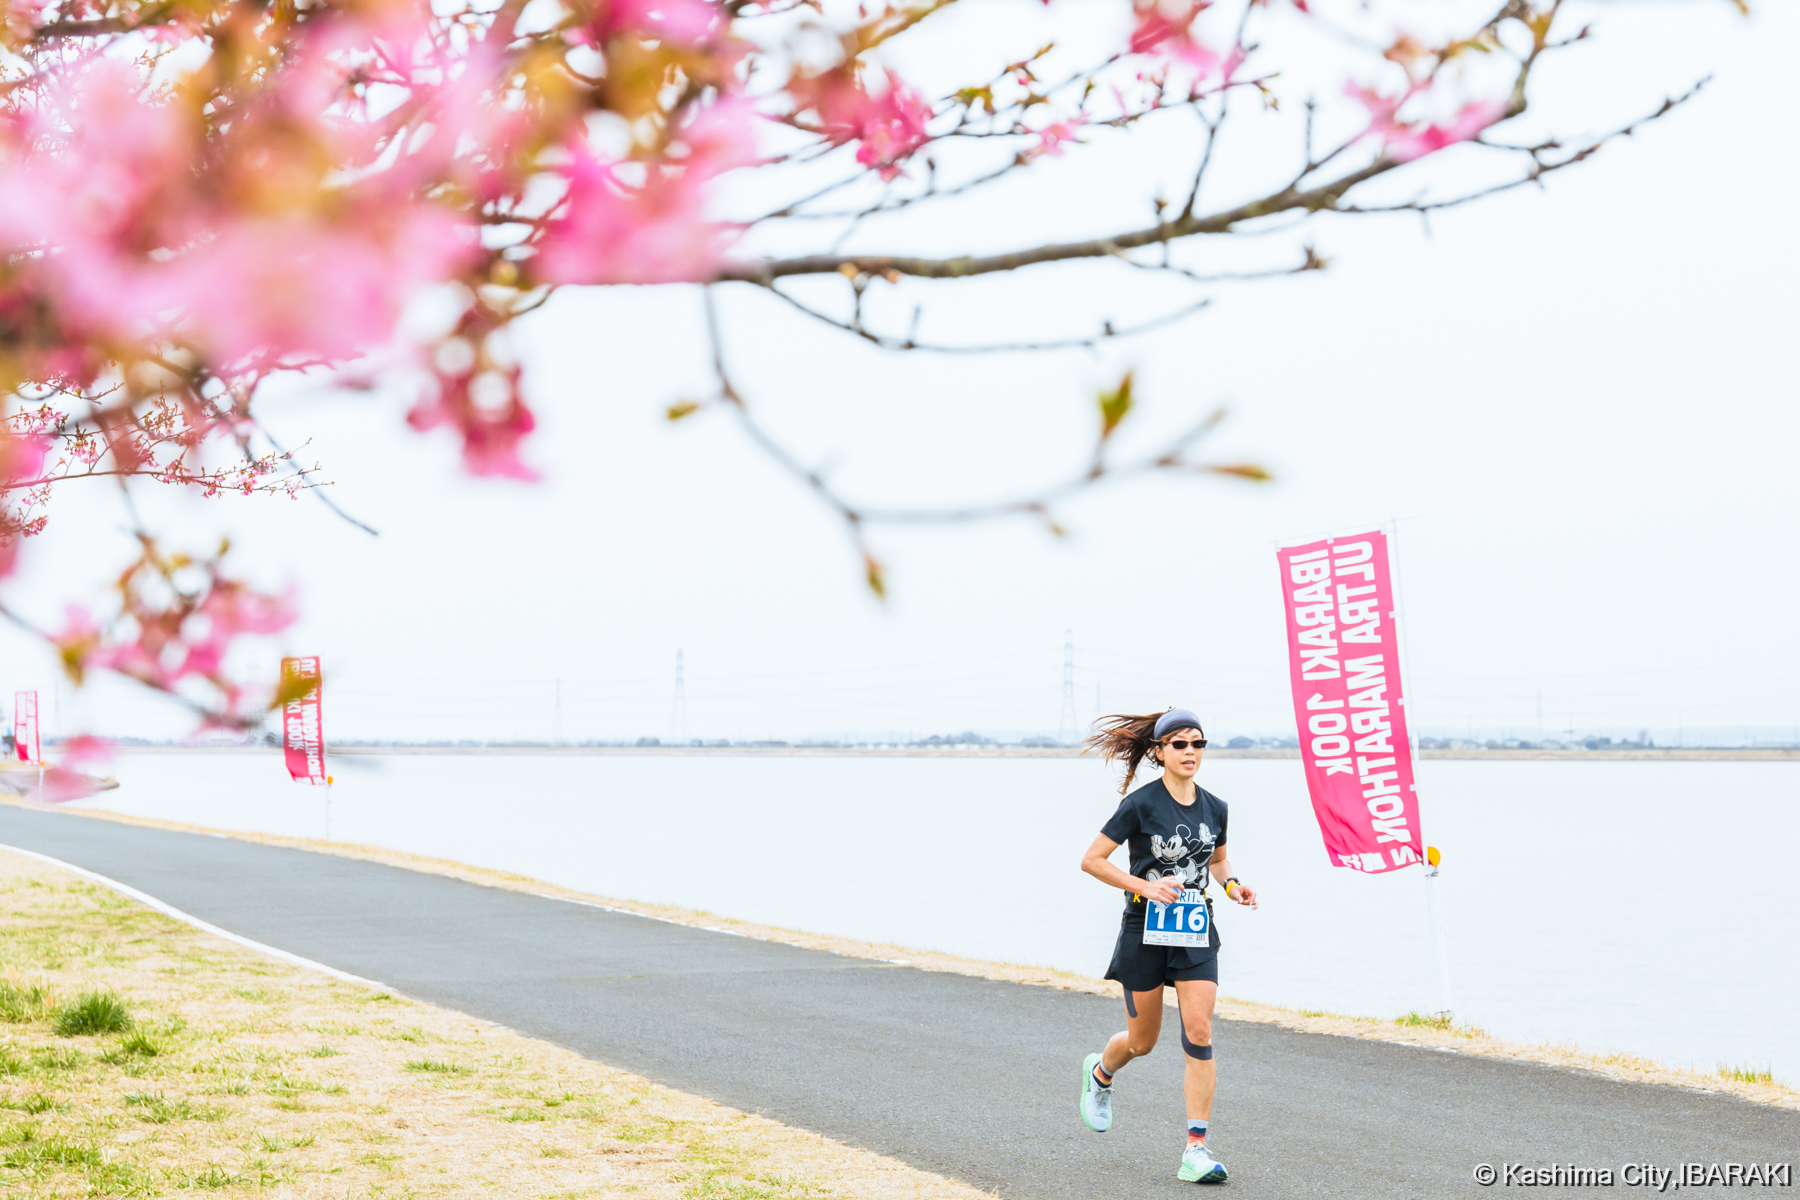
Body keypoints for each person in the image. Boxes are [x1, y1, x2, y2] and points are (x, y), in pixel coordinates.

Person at [1075, 708, 1259, 1184]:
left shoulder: (1215, 806)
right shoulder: (1140, 804)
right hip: (1144, 931)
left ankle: (1195, 1150)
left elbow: (1217, 860)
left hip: (1196, 931)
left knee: (1199, 1031)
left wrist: (1234, 886)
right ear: (1159, 752)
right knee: (1143, 1042)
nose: (1190, 752)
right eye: (1179, 744)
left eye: (1198, 743)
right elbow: (1092, 860)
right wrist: (1144, 886)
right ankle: (1100, 1073)